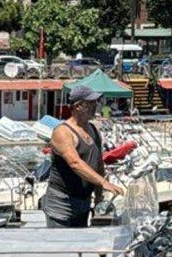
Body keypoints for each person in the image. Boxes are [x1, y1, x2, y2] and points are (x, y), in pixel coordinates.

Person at [43, 85, 124, 228]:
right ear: (78, 106)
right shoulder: (63, 132)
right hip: (61, 204)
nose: (95, 106)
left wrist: (98, 197)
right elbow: (75, 163)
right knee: (59, 241)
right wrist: (104, 183)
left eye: (95, 102)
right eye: (90, 103)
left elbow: (99, 165)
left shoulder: (93, 130)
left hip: (84, 203)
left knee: (81, 240)